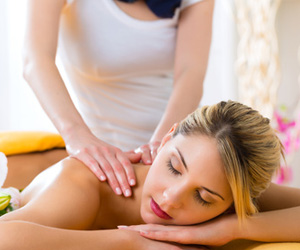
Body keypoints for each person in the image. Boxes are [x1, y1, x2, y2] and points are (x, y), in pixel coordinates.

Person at [2, 100, 300, 250]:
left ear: (232, 204)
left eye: (203, 197)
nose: (171, 197)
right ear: (168, 137)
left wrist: (234, 228)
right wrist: (132, 242)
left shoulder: (227, 188)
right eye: (173, 167)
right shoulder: (84, 186)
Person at [23, 0, 215, 197]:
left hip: (177, 149)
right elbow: (35, 61)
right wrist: (77, 136)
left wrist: (161, 144)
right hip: (101, 153)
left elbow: (191, 74)